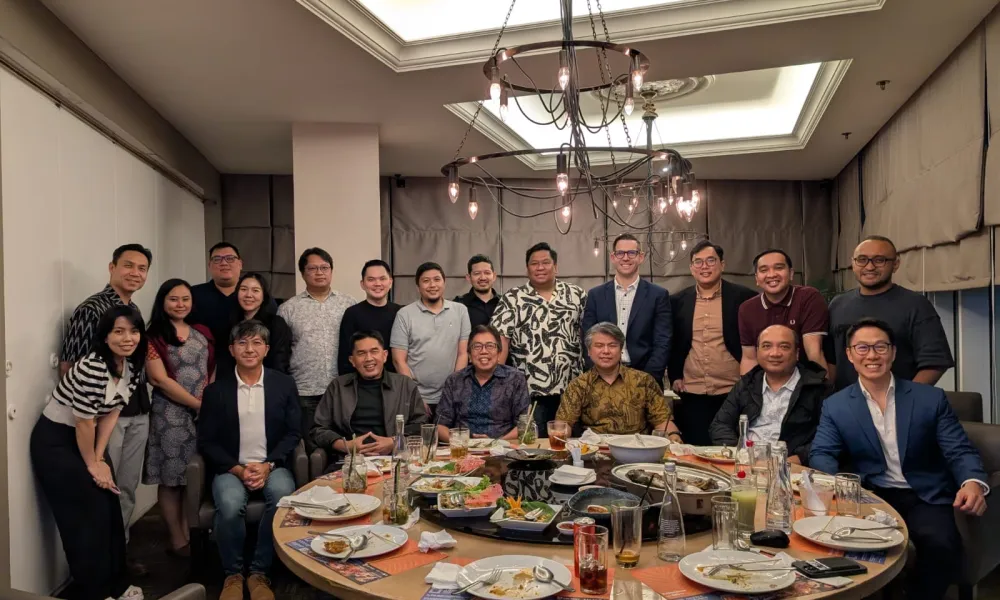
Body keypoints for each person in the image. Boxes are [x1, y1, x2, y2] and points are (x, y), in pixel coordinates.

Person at [810, 318, 989, 600]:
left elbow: (959, 449)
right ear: (849, 355)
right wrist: (836, 487)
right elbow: (822, 452)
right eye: (862, 348)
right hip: (870, 494)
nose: (872, 355)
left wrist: (973, 482)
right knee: (844, 546)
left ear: (893, 352)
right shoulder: (836, 405)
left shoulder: (930, 398)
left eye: (880, 347)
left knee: (940, 545)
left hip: (924, 494)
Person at [32, 305, 147, 600]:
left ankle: (118, 585)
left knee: (109, 507)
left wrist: (99, 458)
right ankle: (95, 592)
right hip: (57, 442)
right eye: (119, 331)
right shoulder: (92, 367)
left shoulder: (132, 365)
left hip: (88, 440)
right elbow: (84, 422)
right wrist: (93, 464)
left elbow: (112, 413)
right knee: (86, 516)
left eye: (134, 331)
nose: (128, 338)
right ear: (105, 336)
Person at [59, 243, 152, 569]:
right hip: (103, 417)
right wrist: (93, 417)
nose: (135, 273)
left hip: (135, 409)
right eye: (128, 265)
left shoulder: (133, 309)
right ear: (112, 267)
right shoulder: (92, 309)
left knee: (126, 488)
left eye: (142, 268)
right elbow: (70, 366)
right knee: (103, 488)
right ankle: (101, 563)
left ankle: (118, 556)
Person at [197, 321, 301, 600]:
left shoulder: (284, 384)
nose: (249, 349)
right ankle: (232, 575)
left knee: (283, 498)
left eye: (256, 342)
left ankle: (259, 572)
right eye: (242, 343)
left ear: (266, 349)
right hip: (231, 468)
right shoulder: (216, 391)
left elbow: (293, 432)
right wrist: (238, 469)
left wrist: (268, 465)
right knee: (230, 505)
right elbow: (207, 441)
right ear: (232, 350)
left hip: (272, 465)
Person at [144, 279, 215, 557]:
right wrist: (197, 405)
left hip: (202, 412)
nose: (180, 304)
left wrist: (207, 403)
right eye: (173, 299)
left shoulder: (202, 331)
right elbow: (158, 379)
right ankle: (177, 539)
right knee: (171, 479)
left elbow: (211, 369)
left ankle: (190, 532)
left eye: (185, 299)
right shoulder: (154, 336)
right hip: (170, 413)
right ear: (162, 301)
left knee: (193, 476)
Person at [828, 235, 954, 390]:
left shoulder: (916, 305)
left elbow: (935, 363)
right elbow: (830, 361)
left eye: (879, 260)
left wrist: (905, 399)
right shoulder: (838, 305)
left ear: (895, 264)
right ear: (853, 263)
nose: (869, 267)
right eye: (862, 260)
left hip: (899, 401)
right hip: (846, 401)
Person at [668, 240, 757, 445]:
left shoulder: (745, 298)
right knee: (694, 449)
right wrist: (675, 374)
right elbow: (673, 341)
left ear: (722, 265)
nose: (704, 266)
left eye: (710, 260)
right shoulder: (677, 301)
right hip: (692, 391)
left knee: (731, 449)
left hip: (733, 391)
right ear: (691, 268)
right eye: (698, 262)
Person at [493, 242, 587, 431]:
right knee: (532, 442)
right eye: (534, 263)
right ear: (527, 269)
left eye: (545, 262)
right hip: (529, 391)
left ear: (556, 266)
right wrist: (497, 384)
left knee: (570, 443)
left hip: (572, 390)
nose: (540, 267)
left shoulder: (577, 295)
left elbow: (590, 336)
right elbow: (501, 342)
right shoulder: (512, 298)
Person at [709, 325, 829, 465]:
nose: (775, 353)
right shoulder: (747, 383)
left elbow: (829, 436)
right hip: (744, 463)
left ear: (797, 353)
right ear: (757, 352)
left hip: (788, 467)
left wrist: (798, 458)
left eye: (784, 347)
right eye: (766, 346)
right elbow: (720, 425)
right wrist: (740, 453)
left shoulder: (817, 388)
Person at [278, 248, 356, 449]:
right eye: (313, 268)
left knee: (344, 446)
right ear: (303, 273)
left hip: (342, 388)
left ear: (331, 271)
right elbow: (282, 351)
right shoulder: (288, 308)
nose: (319, 272)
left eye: (324, 267)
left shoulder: (348, 304)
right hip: (305, 390)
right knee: (312, 448)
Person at [311, 331, 426, 459]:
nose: (369, 358)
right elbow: (318, 429)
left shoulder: (404, 385)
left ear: (385, 355)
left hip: (395, 459)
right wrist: (347, 446)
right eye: (361, 353)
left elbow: (421, 426)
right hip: (350, 460)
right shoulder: (338, 386)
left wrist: (394, 442)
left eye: (374, 351)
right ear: (352, 360)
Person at [557, 323, 681, 437]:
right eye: (599, 346)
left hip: (637, 447)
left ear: (621, 350)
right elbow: (563, 423)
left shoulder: (643, 381)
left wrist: (674, 435)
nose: (606, 351)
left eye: (612, 345)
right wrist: (559, 436)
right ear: (589, 351)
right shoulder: (579, 385)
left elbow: (662, 421)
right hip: (594, 448)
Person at [582, 233, 671, 385]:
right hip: (602, 379)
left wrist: (647, 379)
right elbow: (587, 339)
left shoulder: (658, 295)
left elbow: (663, 341)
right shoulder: (596, 295)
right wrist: (598, 376)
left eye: (631, 253)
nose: (625, 258)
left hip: (645, 378)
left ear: (641, 257)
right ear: (613, 257)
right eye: (620, 253)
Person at [391, 262, 471, 421]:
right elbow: (399, 360)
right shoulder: (404, 314)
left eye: (437, 279)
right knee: (419, 436)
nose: (432, 285)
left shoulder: (460, 311)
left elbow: (463, 354)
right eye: (426, 281)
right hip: (417, 397)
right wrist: (415, 397)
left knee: (452, 436)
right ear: (418, 286)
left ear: (444, 282)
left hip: (451, 396)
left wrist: (453, 391)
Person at [738, 248, 829, 376]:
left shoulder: (809, 298)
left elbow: (814, 352)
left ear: (791, 273)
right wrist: (746, 387)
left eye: (779, 268)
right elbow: (749, 358)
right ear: (757, 278)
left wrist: (820, 386)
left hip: (804, 377)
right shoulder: (747, 309)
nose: (771, 274)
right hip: (765, 380)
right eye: (764, 270)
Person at [437, 325, 530, 442]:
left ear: (499, 353)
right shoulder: (455, 380)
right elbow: (440, 426)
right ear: (469, 355)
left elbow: (524, 425)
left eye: (490, 346)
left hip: (503, 448)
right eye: (477, 346)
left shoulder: (515, 379)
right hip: (462, 448)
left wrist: (495, 443)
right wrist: (464, 443)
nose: (484, 351)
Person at [215, 272, 292, 375]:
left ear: (263, 296)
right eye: (243, 289)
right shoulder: (227, 323)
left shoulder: (276, 324)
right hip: (232, 381)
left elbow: (279, 362)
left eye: (255, 290)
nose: (248, 295)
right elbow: (223, 361)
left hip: (267, 380)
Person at [337, 259, 401, 375]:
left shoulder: (401, 312)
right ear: (362, 284)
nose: (377, 284)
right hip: (361, 381)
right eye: (371, 279)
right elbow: (345, 356)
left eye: (382, 279)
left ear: (390, 282)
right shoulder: (352, 313)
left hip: (396, 380)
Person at [454, 254, 500, 329]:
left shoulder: (505, 303)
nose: (483, 278)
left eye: (487, 273)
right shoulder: (458, 305)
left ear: (494, 276)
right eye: (477, 273)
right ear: (469, 278)